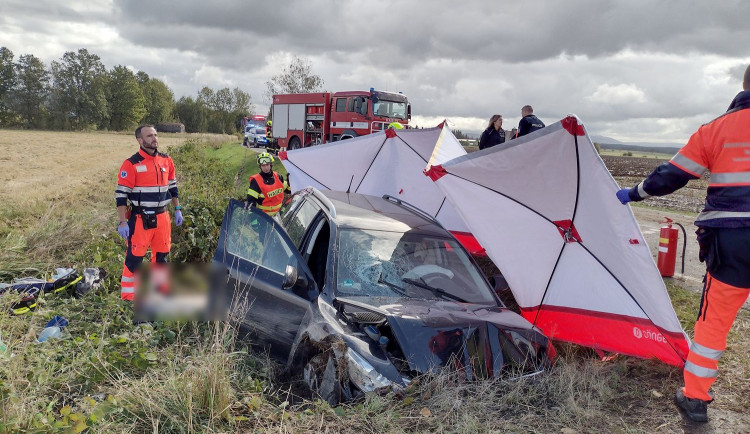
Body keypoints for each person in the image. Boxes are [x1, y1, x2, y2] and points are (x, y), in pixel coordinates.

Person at [616, 64, 750, 423]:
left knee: (713, 323)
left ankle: (695, 399)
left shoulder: (717, 129)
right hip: (733, 237)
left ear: (743, 85)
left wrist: (634, 193)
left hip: (733, 241)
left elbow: (673, 174)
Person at [115, 125, 183, 301]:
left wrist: (177, 209)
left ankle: (160, 291)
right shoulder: (131, 164)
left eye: (155, 135)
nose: (155, 138)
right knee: (134, 259)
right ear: (140, 140)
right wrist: (122, 222)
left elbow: (173, 187)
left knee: (161, 257)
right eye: (150, 136)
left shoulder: (166, 160)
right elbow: (121, 195)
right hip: (140, 219)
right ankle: (129, 297)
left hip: (163, 218)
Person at [247, 152, 291, 217]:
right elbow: (250, 203)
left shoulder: (278, 176)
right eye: (263, 165)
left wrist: (289, 182)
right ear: (260, 166)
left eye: (267, 164)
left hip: (279, 215)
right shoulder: (256, 181)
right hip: (264, 218)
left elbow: (288, 191)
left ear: (271, 164)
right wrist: (254, 222)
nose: (266, 168)